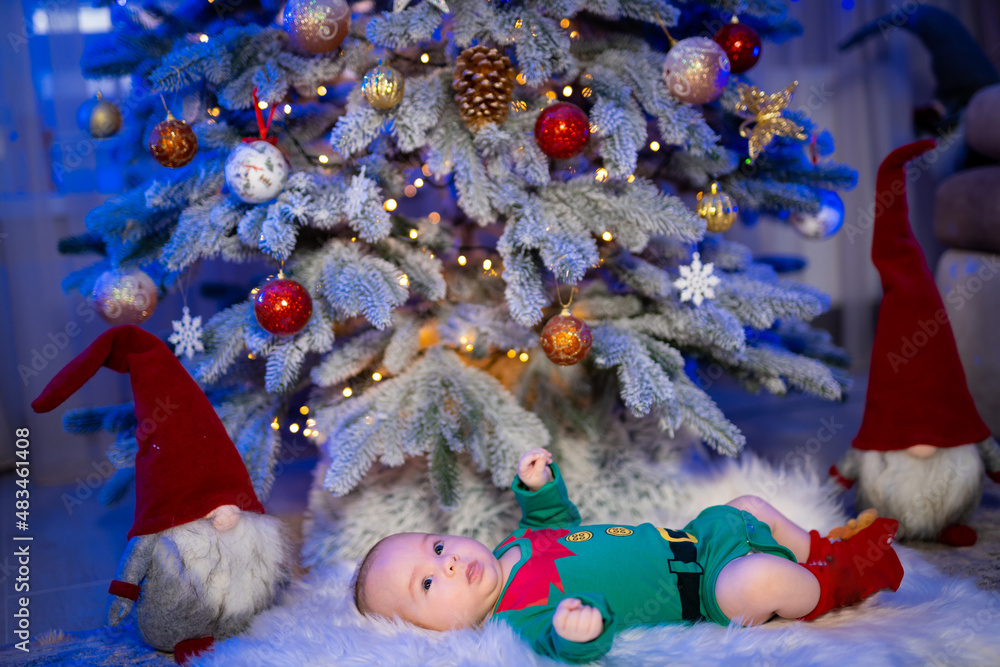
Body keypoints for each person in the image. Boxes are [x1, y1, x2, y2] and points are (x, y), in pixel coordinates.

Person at [354, 448, 903, 663]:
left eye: (439, 546)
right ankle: (837, 584)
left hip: (693, 540)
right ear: (431, 631)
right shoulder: (516, 619)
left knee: (747, 506)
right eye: (427, 585)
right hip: (707, 590)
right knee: (761, 579)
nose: (448, 563)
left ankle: (827, 547)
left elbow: (553, 526)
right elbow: (559, 645)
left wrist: (539, 490)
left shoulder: (509, 548)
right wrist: (576, 634)